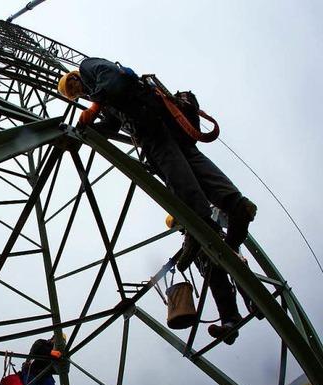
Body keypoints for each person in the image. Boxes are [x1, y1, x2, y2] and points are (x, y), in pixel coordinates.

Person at [57, 58, 257, 272]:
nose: (76, 91)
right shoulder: (99, 94)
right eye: (73, 94)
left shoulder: (89, 69)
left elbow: (115, 80)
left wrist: (96, 104)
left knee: (174, 172)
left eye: (73, 86)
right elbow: (113, 124)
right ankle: (237, 205)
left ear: (75, 76)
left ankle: (200, 223)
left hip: (150, 124)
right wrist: (89, 128)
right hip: (162, 122)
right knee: (195, 165)